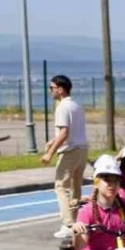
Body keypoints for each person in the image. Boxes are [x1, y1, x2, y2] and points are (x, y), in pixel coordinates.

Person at [39, 75, 90, 240]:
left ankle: (68, 224)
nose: (50, 91)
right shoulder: (76, 105)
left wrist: (49, 153)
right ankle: (76, 221)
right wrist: (52, 141)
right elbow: (70, 131)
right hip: (82, 149)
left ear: (60, 90)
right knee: (76, 187)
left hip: (70, 151)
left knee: (61, 187)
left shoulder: (62, 107)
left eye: (52, 88)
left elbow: (64, 132)